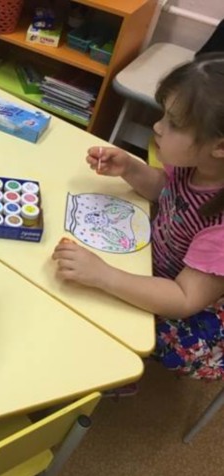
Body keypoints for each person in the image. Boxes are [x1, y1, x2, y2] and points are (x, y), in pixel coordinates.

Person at [53, 53, 224, 380]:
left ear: (220, 147)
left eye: (173, 123)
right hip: (158, 263)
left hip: (190, 311)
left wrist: (105, 276)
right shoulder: (195, 165)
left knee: (96, 311)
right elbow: (166, 191)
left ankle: (116, 378)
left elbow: (184, 298)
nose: (157, 126)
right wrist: (131, 169)